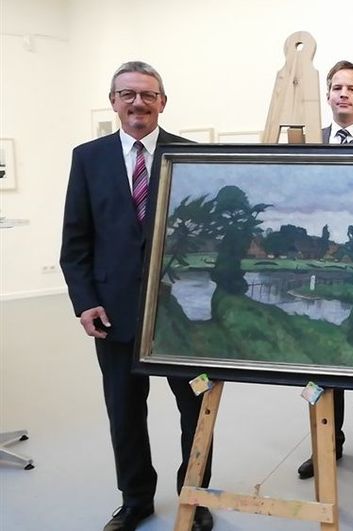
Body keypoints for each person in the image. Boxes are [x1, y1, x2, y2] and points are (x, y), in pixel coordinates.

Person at [59, 61, 214, 531]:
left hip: (183, 315)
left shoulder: (192, 156)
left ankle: (194, 496)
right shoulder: (89, 158)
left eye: (148, 95)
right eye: (127, 94)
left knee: (197, 410)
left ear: (162, 102)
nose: (138, 103)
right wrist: (85, 301)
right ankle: (135, 499)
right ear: (113, 101)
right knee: (124, 412)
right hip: (115, 313)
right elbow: (76, 240)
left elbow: (209, 237)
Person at [296, 59, 353, 482]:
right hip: (325, 249)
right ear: (329, 95)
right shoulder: (307, 142)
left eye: (352, 88)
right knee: (322, 365)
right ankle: (326, 445)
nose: (343, 94)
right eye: (336, 87)